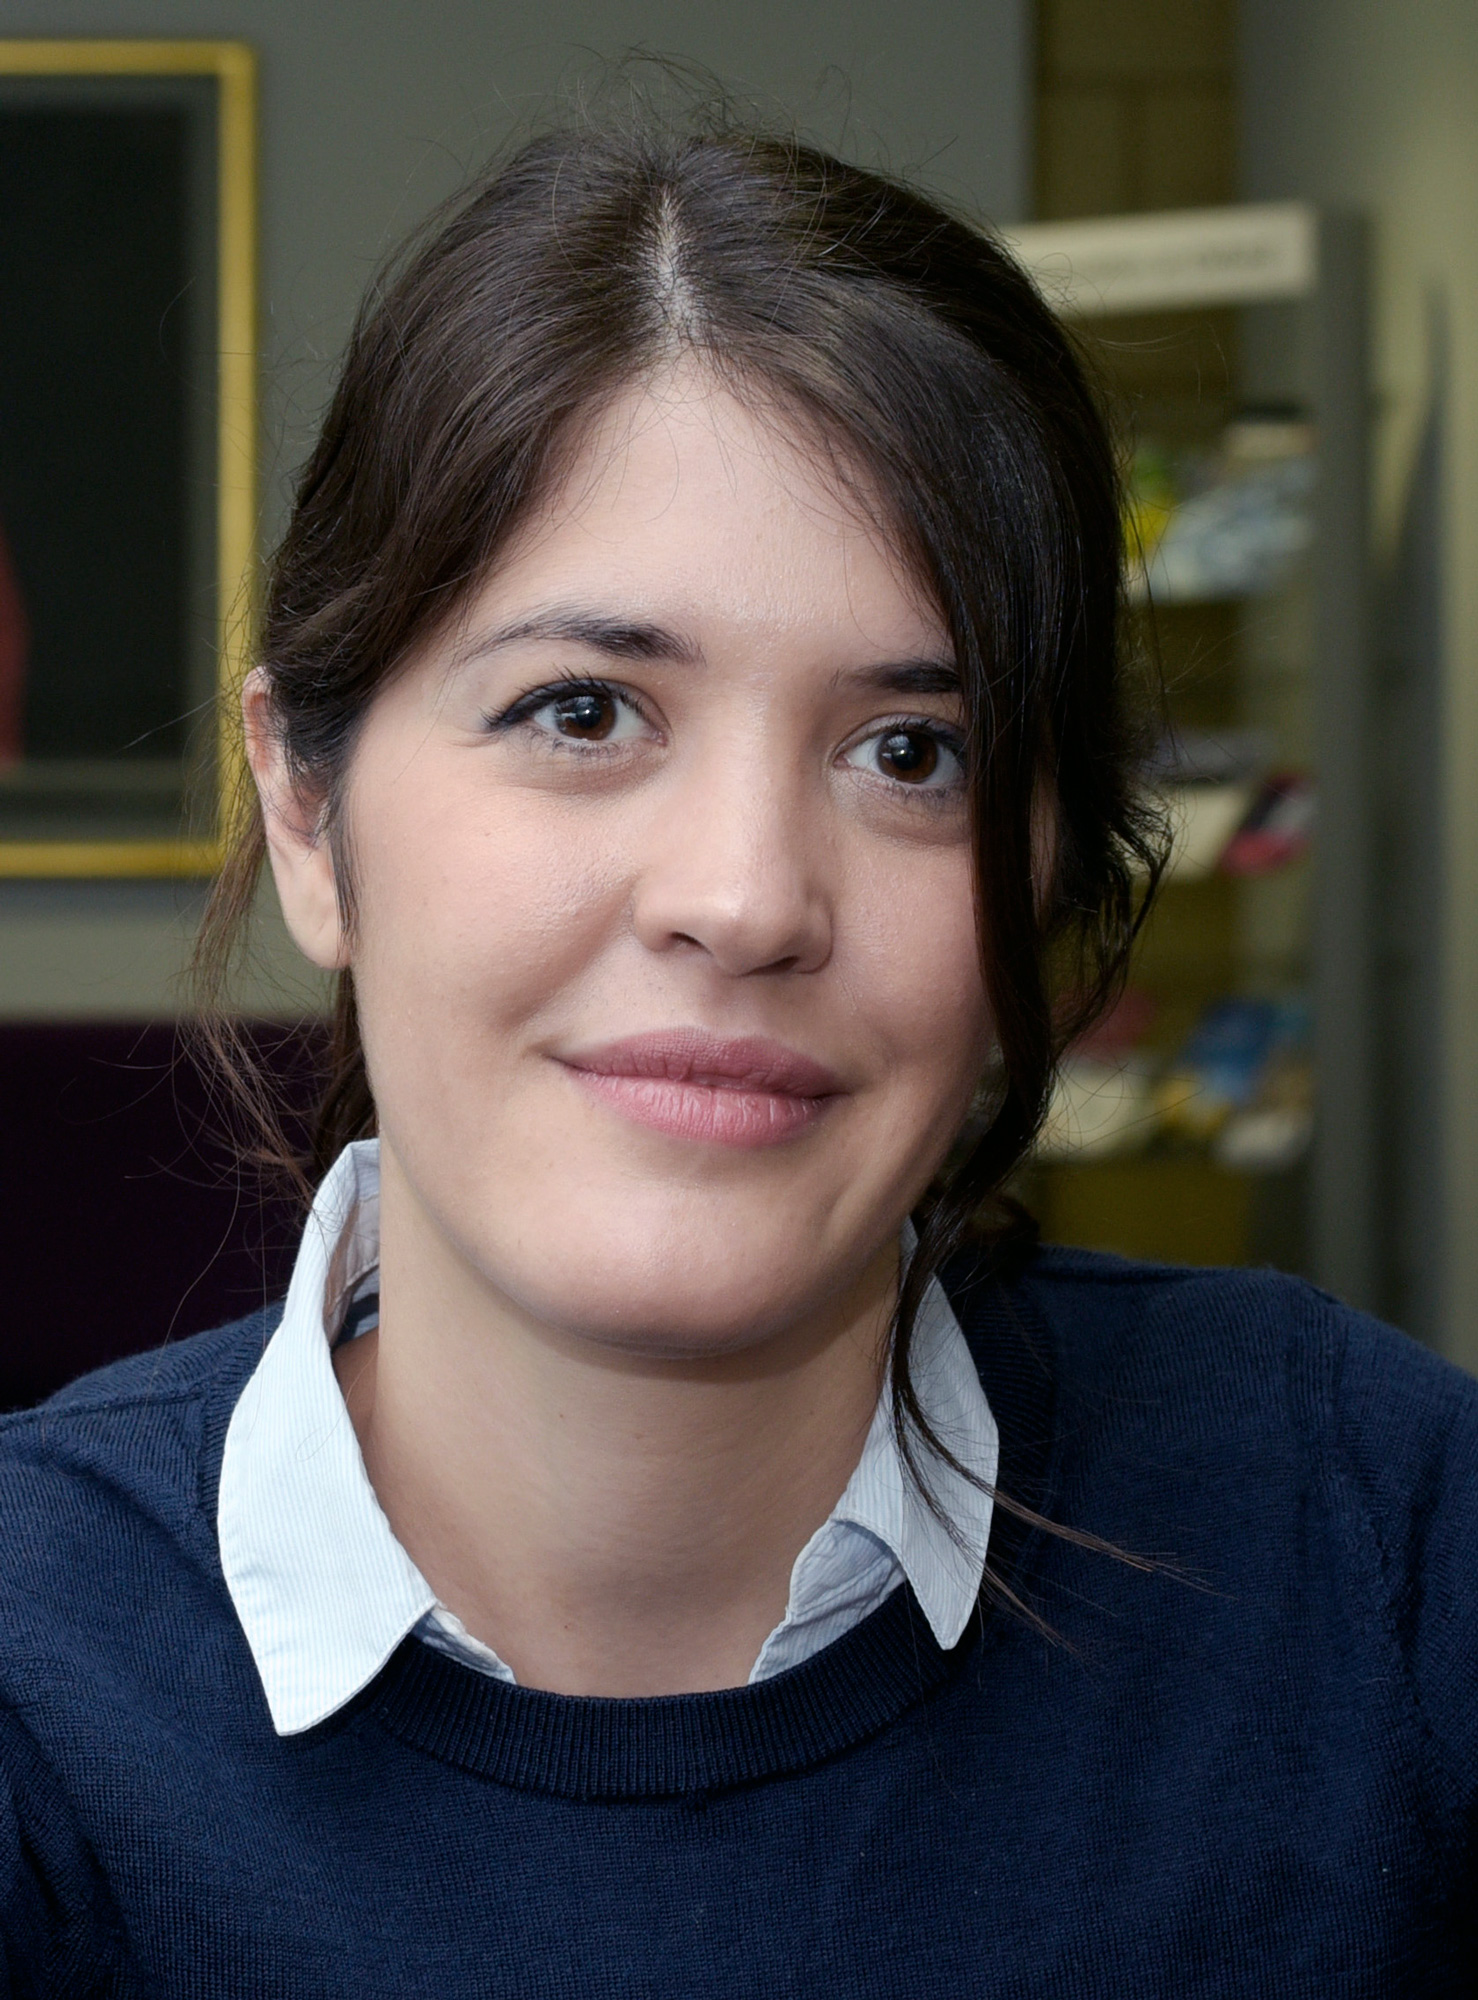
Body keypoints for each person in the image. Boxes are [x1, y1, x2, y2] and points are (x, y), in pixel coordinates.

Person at [1, 112, 1474, 1996]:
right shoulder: (39, 1685)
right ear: (304, 805)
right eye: (584, 710)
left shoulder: (1370, 1533)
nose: (748, 896)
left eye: (909, 753)